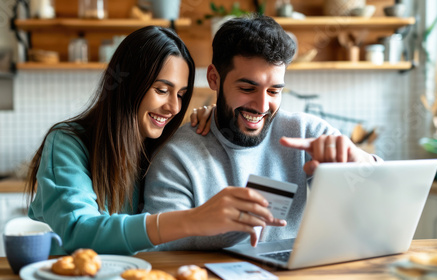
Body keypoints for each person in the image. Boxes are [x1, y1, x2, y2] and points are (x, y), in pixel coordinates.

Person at [25, 26, 284, 255]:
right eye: (162, 90)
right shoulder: (67, 142)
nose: (173, 107)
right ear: (128, 85)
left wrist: (215, 119)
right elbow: (78, 231)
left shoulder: (158, 146)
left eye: (181, 95)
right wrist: (192, 220)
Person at [143, 15, 381, 251]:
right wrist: (233, 226)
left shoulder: (307, 133)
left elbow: (383, 201)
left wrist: (360, 162)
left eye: (274, 91)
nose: (262, 106)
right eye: (247, 88)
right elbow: (161, 246)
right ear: (214, 78)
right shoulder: (177, 155)